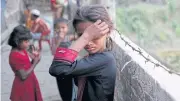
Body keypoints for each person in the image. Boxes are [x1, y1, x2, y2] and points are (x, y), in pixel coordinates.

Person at [49, 5, 116, 101]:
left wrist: (85, 37)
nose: (88, 42)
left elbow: (58, 68)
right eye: (82, 35)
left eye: (94, 36)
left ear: (108, 31)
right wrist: (84, 36)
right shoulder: (91, 57)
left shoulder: (105, 59)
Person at [8, 25, 43, 101]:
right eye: (26, 42)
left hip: (30, 83)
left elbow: (27, 66)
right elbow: (23, 76)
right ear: (17, 41)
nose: (28, 44)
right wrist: (35, 63)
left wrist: (35, 58)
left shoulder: (22, 50)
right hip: (23, 87)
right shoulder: (14, 55)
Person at [51, 18, 78, 101]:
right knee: (62, 88)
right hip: (58, 67)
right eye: (58, 28)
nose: (60, 30)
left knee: (70, 86)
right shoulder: (54, 39)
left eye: (63, 27)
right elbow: (53, 51)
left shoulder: (69, 37)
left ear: (67, 28)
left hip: (69, 66)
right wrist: (59, 40)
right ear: (54, 29)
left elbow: (81, 37)